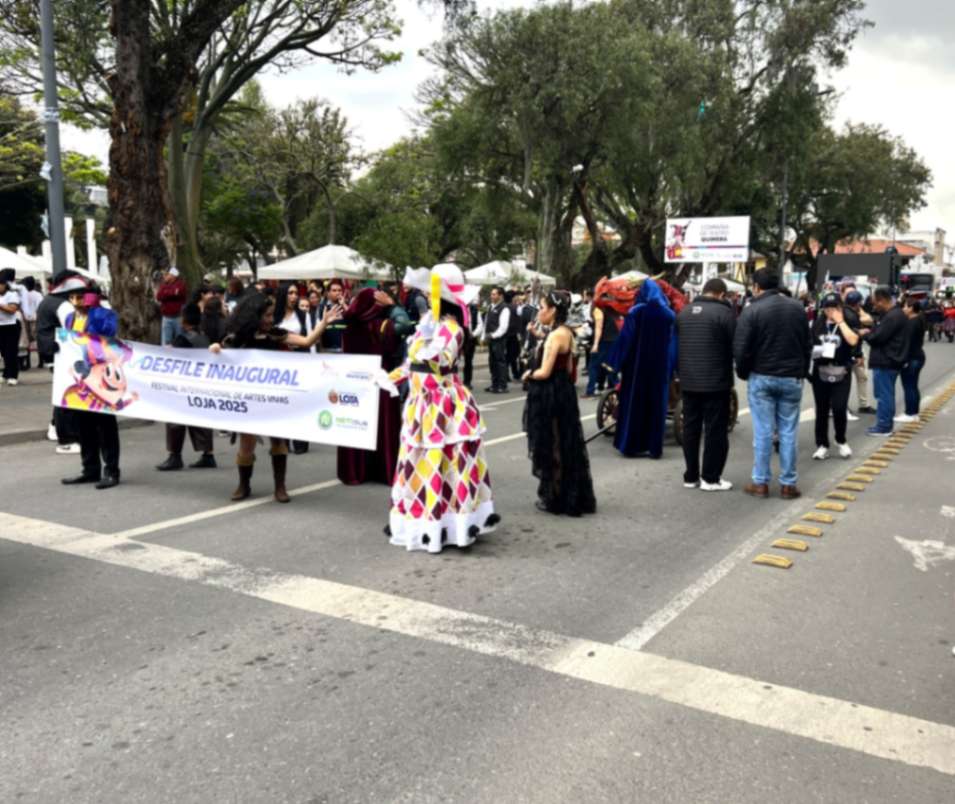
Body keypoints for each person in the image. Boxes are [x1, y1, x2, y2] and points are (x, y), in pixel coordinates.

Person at [386, 264, 499, 553]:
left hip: (444, 406)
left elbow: (434, 359)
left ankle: (452, 527)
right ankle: (423, 523)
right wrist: (385, 378)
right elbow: (411, 364)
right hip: (420, 405)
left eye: (429, 291)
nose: (424, 295)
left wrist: (421, 337)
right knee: (421, 462)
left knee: (448, 463)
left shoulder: (451, 329)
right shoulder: (429, 323)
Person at [211, 292, 341, 503]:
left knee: (279, 441)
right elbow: (219, 348)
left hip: (276, 399)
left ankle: (280, 487)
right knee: (246, 443)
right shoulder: (238, 337)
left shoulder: (276, 334)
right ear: (254, 315)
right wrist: (215, 348)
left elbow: (307, 341)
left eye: (272, 315)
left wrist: (324, 322)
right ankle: (244, 485)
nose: (270, 320)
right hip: (250, 398)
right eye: (267, 315)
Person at [733, 269, 811, 499]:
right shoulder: (797, 308)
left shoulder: (752, 310)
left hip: (762, 376)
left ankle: (760, 483)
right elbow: (807, 344)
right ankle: (788, 484)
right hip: (791, 377)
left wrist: (744, 372)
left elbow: (741, 348)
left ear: (757, 286)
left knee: (763, 432)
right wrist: (802, 371)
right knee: (788, 432)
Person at [522, 291, 596, 516]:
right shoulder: (567, 333)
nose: (539, 312)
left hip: (550, 394)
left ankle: (556, 495)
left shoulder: (556, 335)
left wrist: (528, 374)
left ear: (553, 310)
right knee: (566, 442)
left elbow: (544, 372)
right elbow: (570, 369)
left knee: (552, 443)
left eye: (542, 307)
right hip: (564, 392)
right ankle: (569, 493)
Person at [59, 288, 128, 490]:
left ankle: (111, 470)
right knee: (84, 426)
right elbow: (69, 342)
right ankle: (90, 469)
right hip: (81, 377)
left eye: (80, 297)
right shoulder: (70, 318)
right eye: (71, 297)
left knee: (105, 427)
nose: (75, 301)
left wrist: (94, 310)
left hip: (101, 376)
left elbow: (107, 334)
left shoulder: (103, 314)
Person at [335, 288, 403, 486]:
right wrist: (392, 305)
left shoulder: (349, 326)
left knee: (356, 423)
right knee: (383, 426)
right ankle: (383, 470)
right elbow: (404, 325)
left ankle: (355, 470)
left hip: (354, 382)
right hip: (380, 380)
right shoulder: (381, 326)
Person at [605, 278, 677, 459]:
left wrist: (614, 363)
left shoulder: (635, 312)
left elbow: (625, 341)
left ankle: (630, 446)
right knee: (656, 406)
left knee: (633, 405)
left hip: (636, 371)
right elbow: (673, 343)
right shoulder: (668, 315)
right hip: (659, 370)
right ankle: (653, 448)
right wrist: (672, 365)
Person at [676, 278, 736, 491]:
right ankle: (711, 478)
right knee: (715, 431)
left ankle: (691, 476)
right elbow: (735, 345)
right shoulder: (725, 314)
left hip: (689, 381)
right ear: (721, 294)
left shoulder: (683, 313)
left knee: (690, 429)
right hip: (716, 382)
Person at [156, 303, 216, 471]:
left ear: (184, 320)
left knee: (175, 420)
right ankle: (208, 455)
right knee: (201, 420)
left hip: (183, 386)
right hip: (201, 385)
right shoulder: (204, 337)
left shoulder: (182, 339)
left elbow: (171, 356)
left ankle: (174, 456)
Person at [810, 293, 860, 461]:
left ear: (841, 308)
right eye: (828, 308)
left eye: (835, 308)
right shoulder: (818, 324)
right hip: (821, 370)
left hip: (842, 370)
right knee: (822, 410)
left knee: (839, 407)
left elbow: (853, 341)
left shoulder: (848, 321)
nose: (831, 311)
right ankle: (822, 444)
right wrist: (821, 351)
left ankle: (841, 440)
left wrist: (840, 322)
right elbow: (809, 346)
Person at [863, 287, 910, 437]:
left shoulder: (892, 317)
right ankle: (884, 425)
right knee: (885, 394)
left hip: (886, 361)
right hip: (891, 360)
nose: (874, 306)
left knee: (884, 396)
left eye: (875, 302)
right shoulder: (895, 314)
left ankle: (884, 427)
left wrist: (865, 334)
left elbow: (877, 338)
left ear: (882, 300)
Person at [843, 289, 876, 414]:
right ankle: (854, 405)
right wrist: (859, 355)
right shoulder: (852, 315)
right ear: (857, 303)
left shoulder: (844, 312)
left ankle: (863, 404)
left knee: (860, 377)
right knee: (849, 380)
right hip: (852, 352)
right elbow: (855, 338)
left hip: (850, 351)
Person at [585, 289, 622, 398]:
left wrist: (595, 344)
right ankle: (616, 386)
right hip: (615, 339)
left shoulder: (599, 308)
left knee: (593, 365)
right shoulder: (612, 306)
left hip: (604, 340)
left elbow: (599, 327)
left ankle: (590, 390)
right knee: (609, 365)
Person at [897, 298, 926, 423]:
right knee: (913, 386)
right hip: (918, 356)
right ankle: (914, 413)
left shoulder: (911, 323)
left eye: (905, 307)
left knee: (909, 386)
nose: (903, 309)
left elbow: (906, 344)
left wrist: (903, 360)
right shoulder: (919, 319)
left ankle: (910, 413)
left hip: (911, 358)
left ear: (911, 308)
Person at [484, 286, 510, 393]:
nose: (492, 296)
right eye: (491, 294)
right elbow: (486, 322)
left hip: (499, 339)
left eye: (494, 294)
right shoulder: (490, 307)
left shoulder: (504, 308)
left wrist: (493, 335)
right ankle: (494, 384)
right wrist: (484, 336)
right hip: (491, 338)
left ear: (500, 296)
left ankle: (502, 385)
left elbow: (503, 327)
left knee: (500, 362)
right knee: (492, 362)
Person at [156, 267, 188, 345]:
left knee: (180, 339)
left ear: (173, 276)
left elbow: (177, 293)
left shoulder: (180, 285)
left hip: (178, 317)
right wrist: (170, 293)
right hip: (166, 317)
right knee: (166, 341)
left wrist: (166, 293)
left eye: (167, 274)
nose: (165, 276)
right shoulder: (163, 285)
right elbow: (158, 296)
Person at [0, 270, 21, 385]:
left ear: (4, 285)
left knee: (11, 352)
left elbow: (12, 309)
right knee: (3, 352)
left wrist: (1, 306)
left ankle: (13, 375)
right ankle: (5, 373)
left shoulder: (12, 295)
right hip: (0, 326)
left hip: (11, 325)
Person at [18, 276, 43, 369]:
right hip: (35, 319)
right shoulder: (38, 295)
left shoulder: (22, 295)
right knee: (38, 340)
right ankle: (40, 361)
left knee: (26, 342)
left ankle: (27, 362)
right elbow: (40, 307)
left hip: (25, 319)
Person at [318, 279, 346, 351]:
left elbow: (352, 318)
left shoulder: (345, 306)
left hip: (343, 349)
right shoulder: (322, 307)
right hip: (326, 348)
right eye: (334, 290)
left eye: (339, 290)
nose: (337, 293)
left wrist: (344, 305)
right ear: (328, 293)